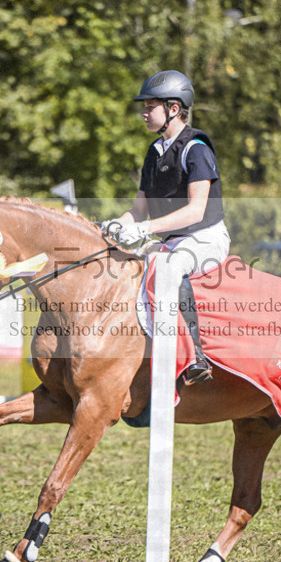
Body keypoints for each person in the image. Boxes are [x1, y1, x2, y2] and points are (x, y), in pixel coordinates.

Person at [103, 69, 230, 384]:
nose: (143, 113)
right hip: (173, 239)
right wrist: (114, 226)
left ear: (173, 109)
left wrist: (145, 229)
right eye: (144, 107)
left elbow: (196, 211)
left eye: (150, 107)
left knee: (170, 267)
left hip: (205, 238)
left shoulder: (195, 148)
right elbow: (137, 209)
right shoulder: (154, 151)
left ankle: (196, 358)